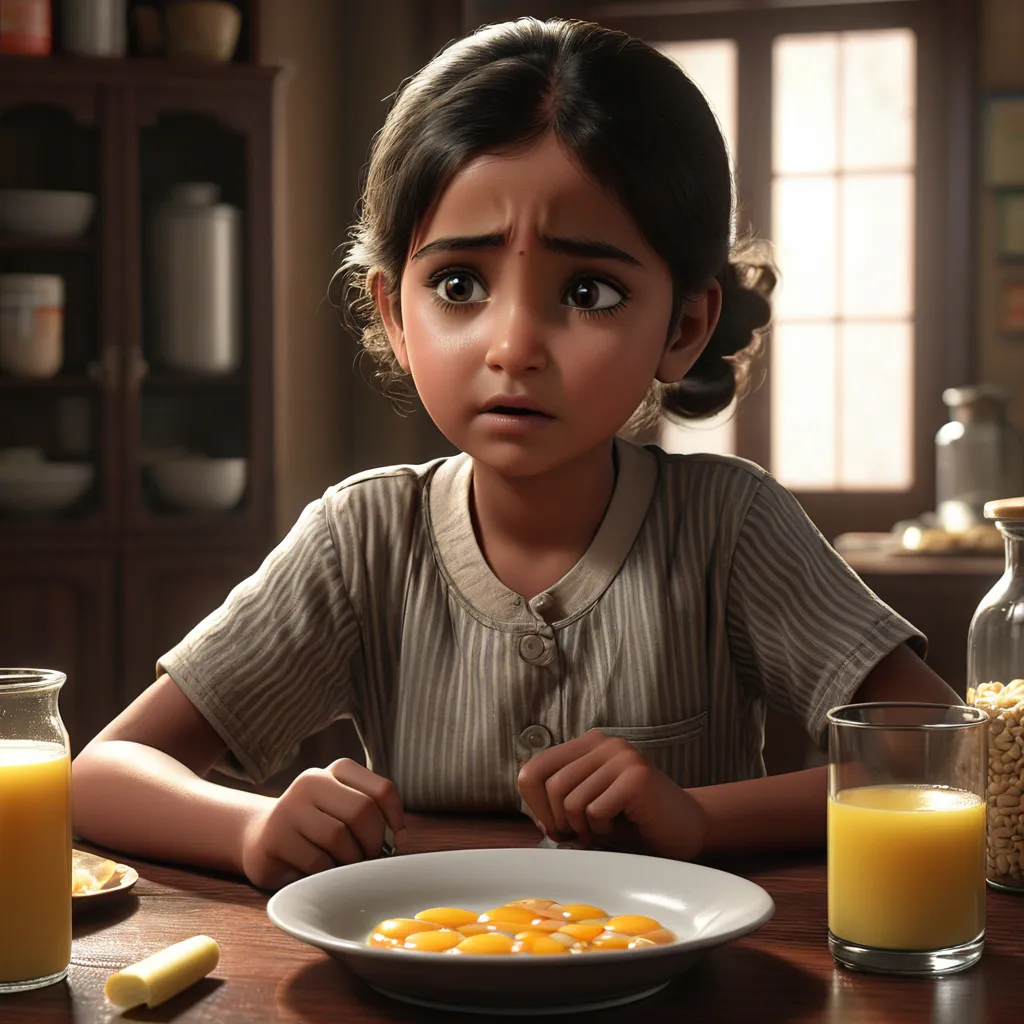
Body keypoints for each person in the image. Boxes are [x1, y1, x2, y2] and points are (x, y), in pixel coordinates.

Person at [72, 17, 959, 891]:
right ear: (393, 311)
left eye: (589, 290)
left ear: (684, 325)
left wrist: (700, 817)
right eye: (459, 285)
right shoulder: (361, 539)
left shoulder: (731, 529)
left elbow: (943, 756)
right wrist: (254, 826)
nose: (514, 346)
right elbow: (103, 775)